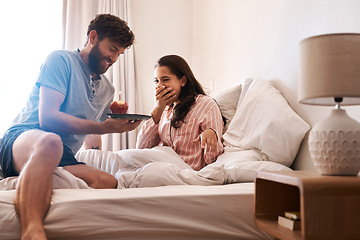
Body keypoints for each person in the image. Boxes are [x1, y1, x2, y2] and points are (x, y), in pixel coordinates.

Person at [0, 14, 141, 240]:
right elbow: (48, 119)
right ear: (93, 37)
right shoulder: (60, 60)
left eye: (119, 54)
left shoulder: (107, 89)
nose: (114, 58)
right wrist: (104, 128)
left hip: (61, 155)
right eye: (112, 49)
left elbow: (92, 132)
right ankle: (31, 231)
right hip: (24, 137)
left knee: (107, 181)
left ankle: (37, 177)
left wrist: (99, 145)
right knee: (50, 140)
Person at [136, 55, 224, 170]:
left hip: (187, 171)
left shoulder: (206, 104)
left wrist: (212, 136)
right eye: (156, 81)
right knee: (125, 158)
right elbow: (141, 148)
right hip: (162, 165)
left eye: (166, 80)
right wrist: (157, 108)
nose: (159, 86)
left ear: (183, 81)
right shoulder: (164, 109)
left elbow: (213, 160)